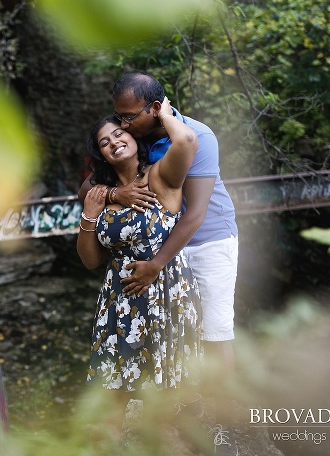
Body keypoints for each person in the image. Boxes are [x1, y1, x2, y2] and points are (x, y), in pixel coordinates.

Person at [80, 72, 240, 456]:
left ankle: (224, 429)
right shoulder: (134, 137)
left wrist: (156, 263)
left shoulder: (193, 136)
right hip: (136, 276)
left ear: (154, 109)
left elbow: (195, 214)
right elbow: (87, 190)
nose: (121, 127)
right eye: (117, 121)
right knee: (124, 373)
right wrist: (115, 193)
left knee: (215, 335)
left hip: (205, 241)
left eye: (128, 119)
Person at [77, 98, 201, 436]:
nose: (114, 142)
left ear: (134, 138)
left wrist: (162, 113)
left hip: (163, 293)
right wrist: (92, 213)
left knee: (159, 406)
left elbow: (187, 140)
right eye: (105, 142)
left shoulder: (160, 176)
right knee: (111, 400)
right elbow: (90, 261)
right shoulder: (102, 194)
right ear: (101, 154)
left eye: (119, 134)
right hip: (118, 301)